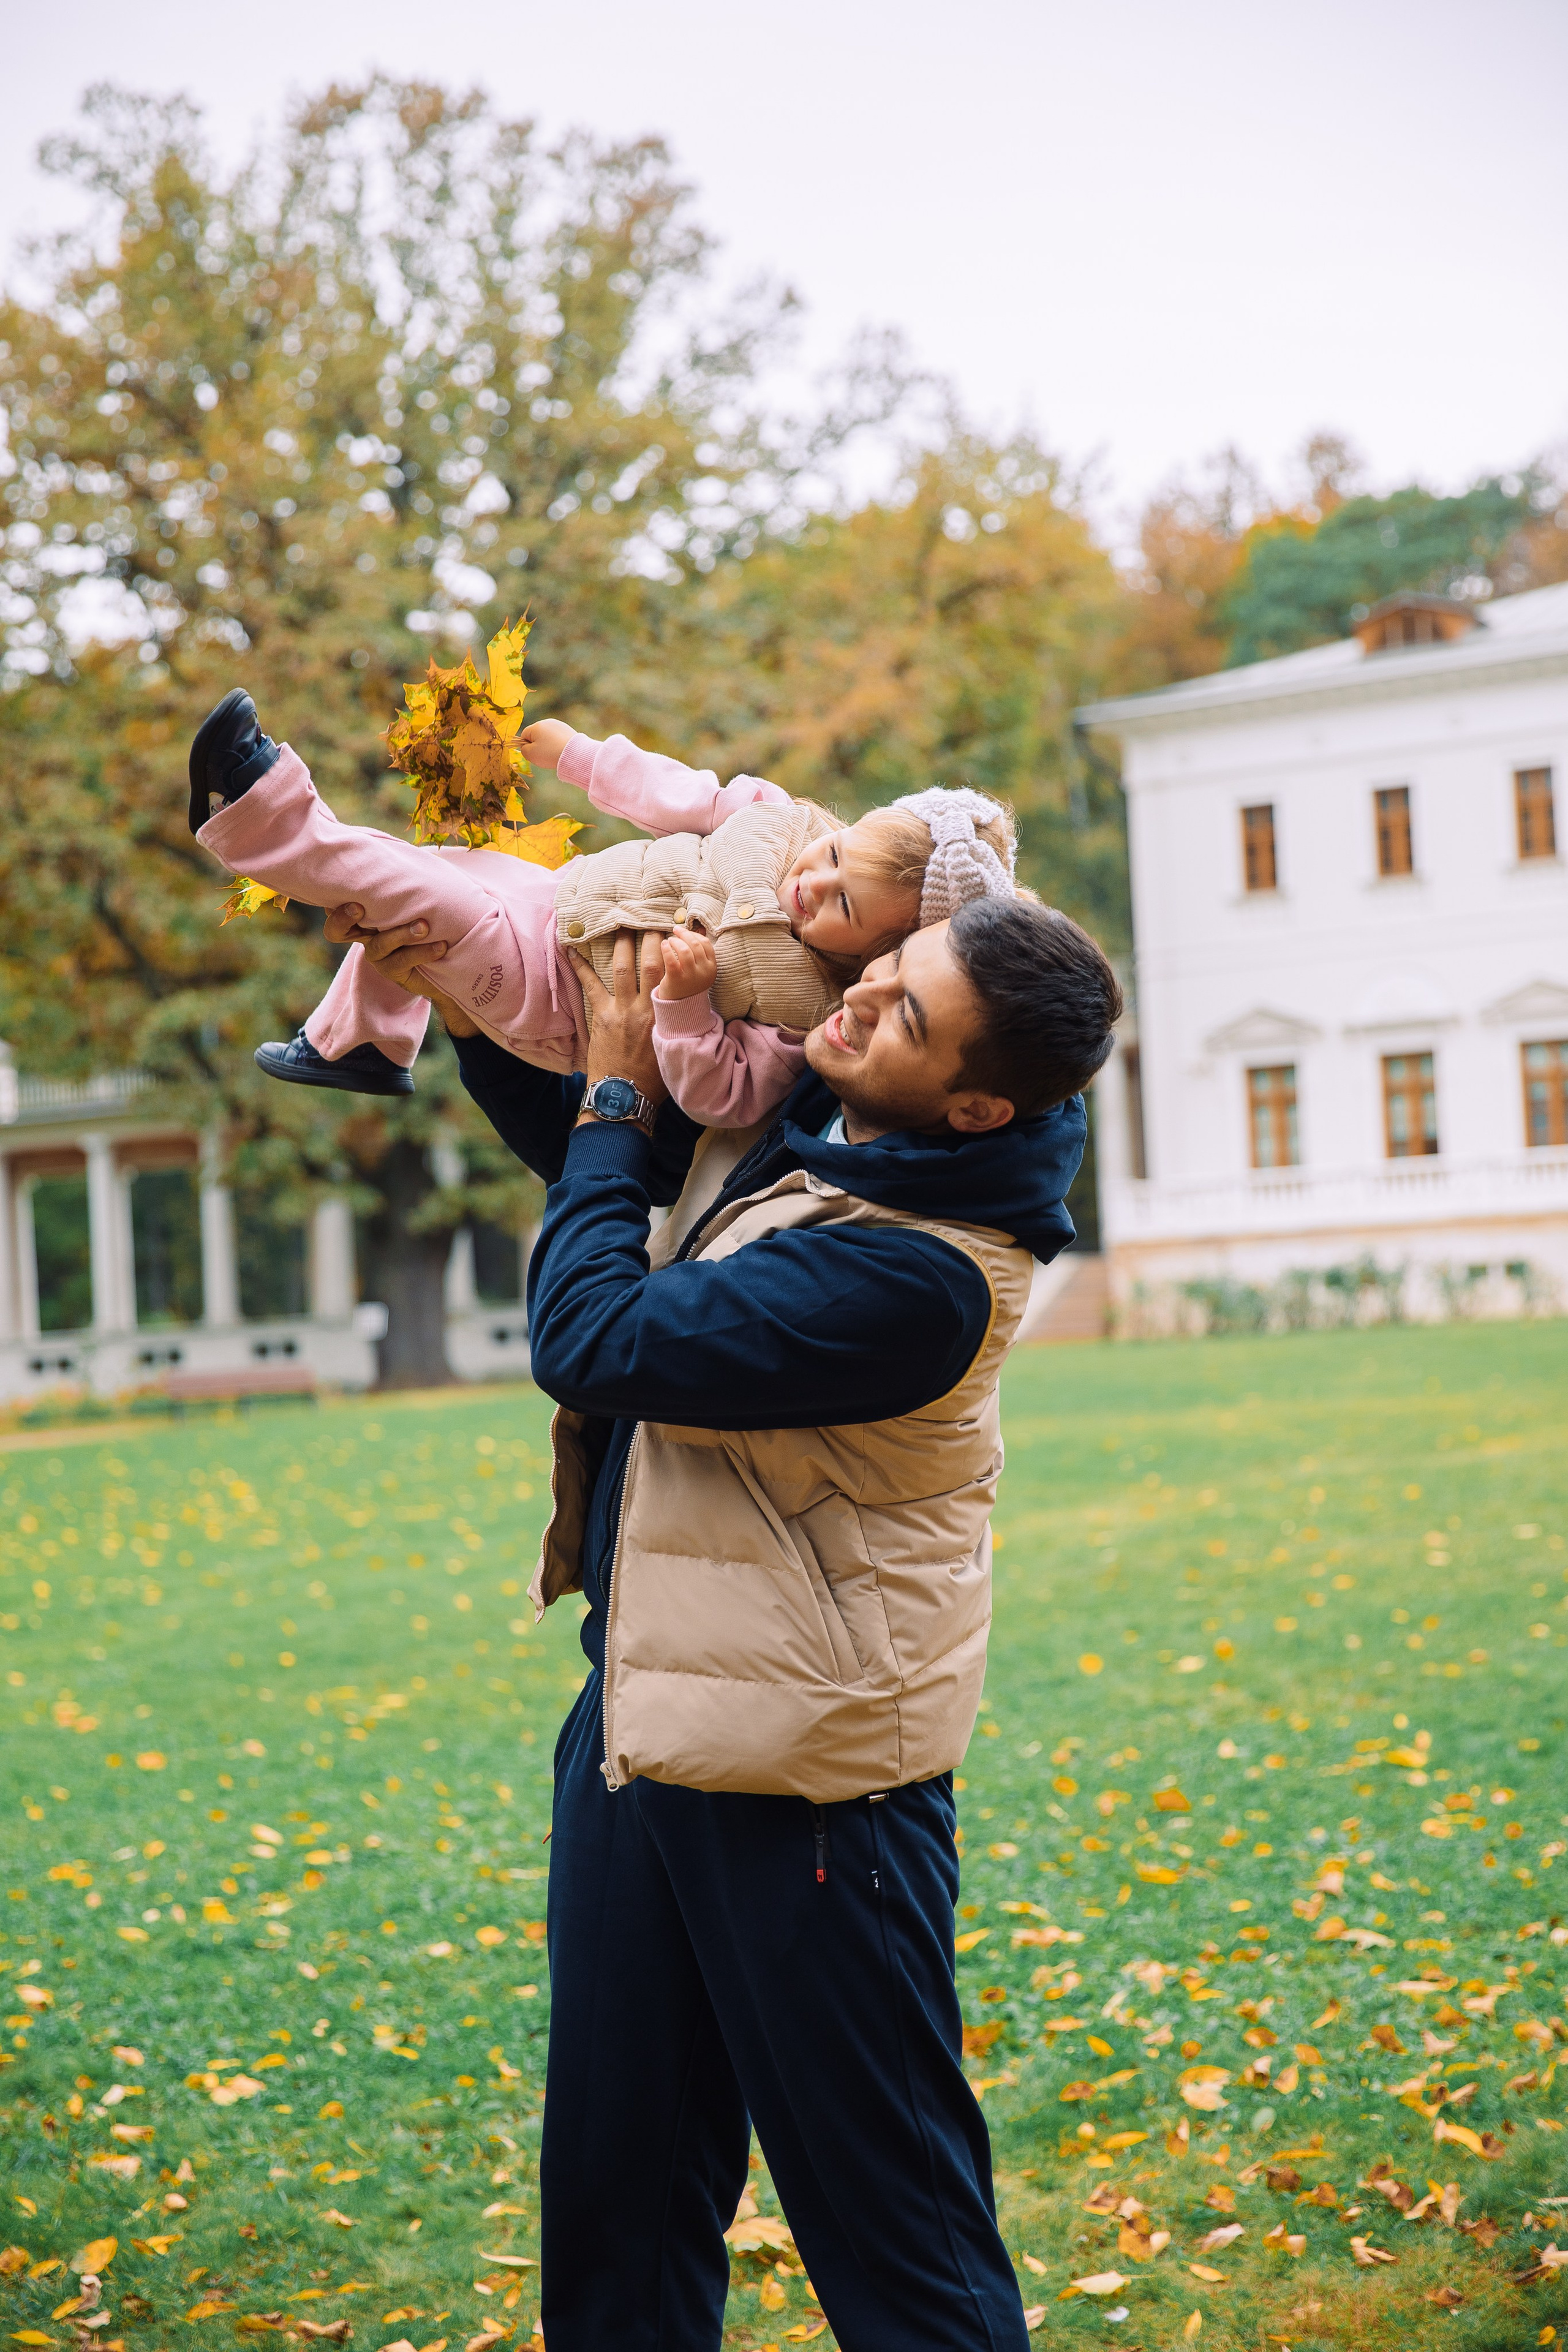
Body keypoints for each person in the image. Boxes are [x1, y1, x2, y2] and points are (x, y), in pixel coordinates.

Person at [320, 883, 1121, 2352]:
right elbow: (596, 1159)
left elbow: (596, 1331)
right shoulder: (828, 1129)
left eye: (908, 1014)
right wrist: (474, 971)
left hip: (815, 1798)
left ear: (978, 1110)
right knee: (617, 2204)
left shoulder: (918, 1277)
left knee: (900, 2246)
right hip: (644, 1731)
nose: (860, 997)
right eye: (886, 967)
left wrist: (621, 1088)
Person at [186, 690, 1018, 1121]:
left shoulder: (808, 1013)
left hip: (558, 1002)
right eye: (835, 855)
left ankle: (258, 800)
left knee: (418, 898)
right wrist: (584, 758)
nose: (814, 882)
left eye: (844, 905)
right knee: (433, 867)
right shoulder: (781, 822)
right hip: (560, 903)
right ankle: (357, 1045)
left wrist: (686, 1007)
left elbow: (722, 1095)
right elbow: (678, 794)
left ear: (881, 948)